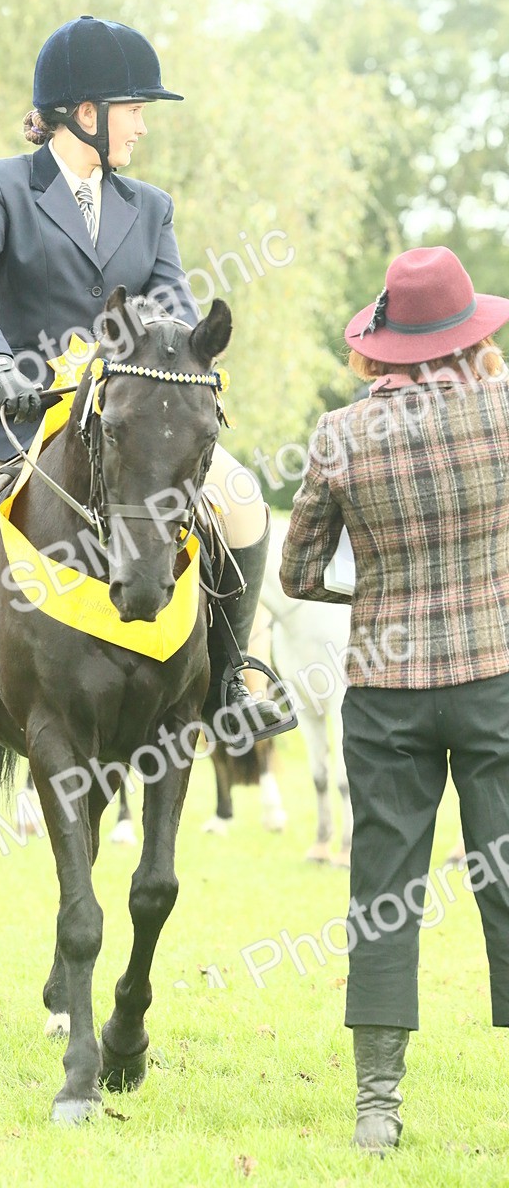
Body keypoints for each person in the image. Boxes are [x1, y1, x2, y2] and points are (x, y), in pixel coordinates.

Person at [0, 15, 283, 776]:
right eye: (134, 111)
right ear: (85, 112)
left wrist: (181, 363)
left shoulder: (149, 207)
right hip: (6, 417)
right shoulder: (0, 187)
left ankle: (230, 683)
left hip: (118, 422)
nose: (142, 128)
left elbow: (173, 304)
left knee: (246, 505)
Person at [280, 245, 509, 1152]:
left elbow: (299, 573)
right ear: (468, 334)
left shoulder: (340, 434)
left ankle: (378, 1106)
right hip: (496, 676)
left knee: (383, 893)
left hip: (385, 693)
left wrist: (375, 593)